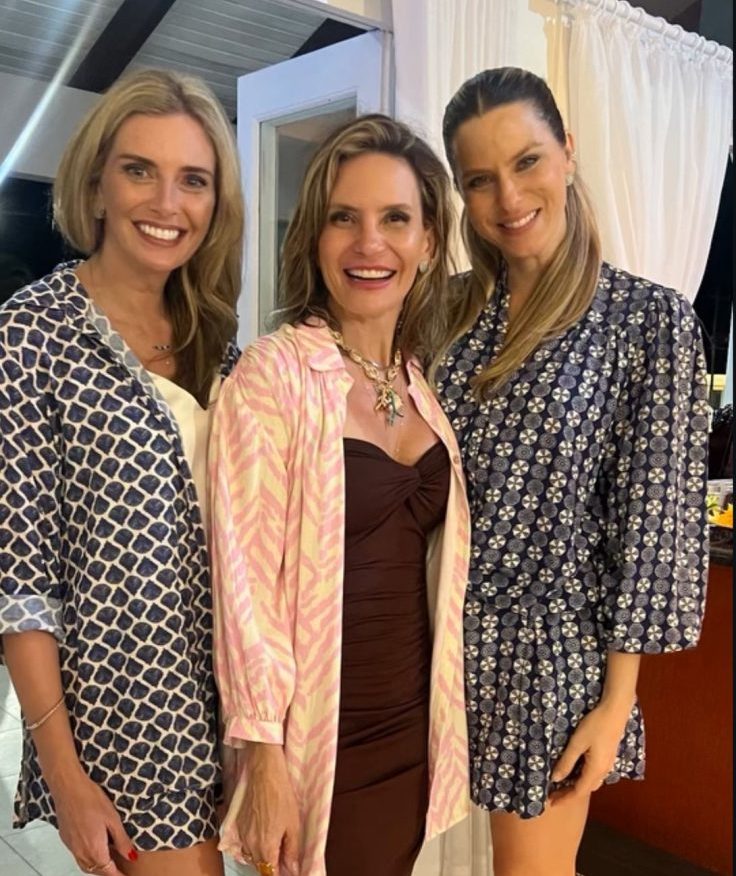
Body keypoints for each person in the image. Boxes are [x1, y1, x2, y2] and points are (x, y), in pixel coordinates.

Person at [434, 66, 710, 876]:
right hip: (433, 637)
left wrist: (616, 701)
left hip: (547, 655)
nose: (508, 197)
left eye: (527, 161)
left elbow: (652, 527)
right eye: (479, 179)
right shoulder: (446, 311)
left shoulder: (647, 322)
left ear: (567, 150)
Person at [209, 114, 471, 876]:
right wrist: (262, 759)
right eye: (343, 219)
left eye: (395, 219)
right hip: (320, 743)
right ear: (315, 239)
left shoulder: (422, 385)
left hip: (417, 733)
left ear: (428, 242)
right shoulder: (274, 374)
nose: (369, 244)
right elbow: (243, 585)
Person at [0, 68, 244, 876]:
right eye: (140, 170)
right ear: (97, 183)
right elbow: (21, 579)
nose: (167, 202)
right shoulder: (31, 334)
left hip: (237, 698)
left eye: (193, 180)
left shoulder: (220, 339)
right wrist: (64, 773)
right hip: (130, 711)